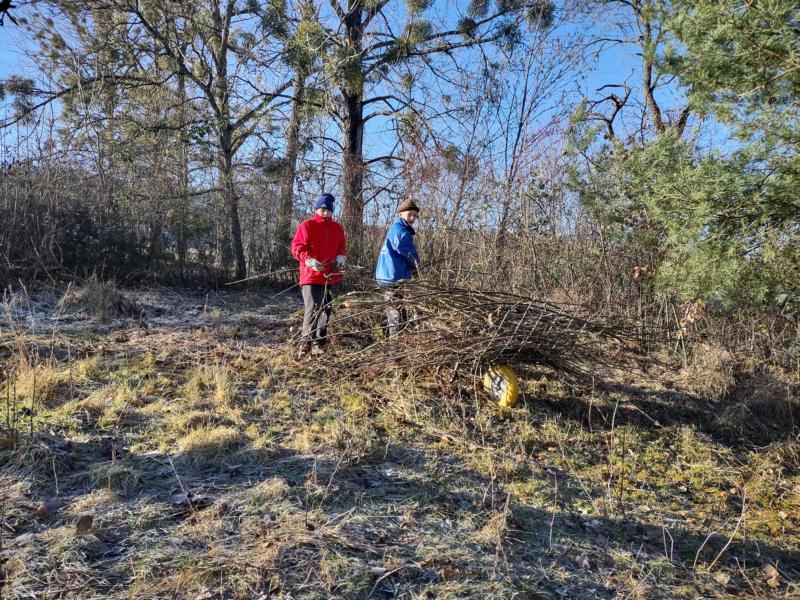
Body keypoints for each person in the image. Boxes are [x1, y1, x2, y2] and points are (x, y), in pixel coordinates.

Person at [291, 193, 346, 357]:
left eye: (329, 210)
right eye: (323, 209)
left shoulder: (337, 228)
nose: (326, 212)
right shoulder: (307, 225)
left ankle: (319, 344)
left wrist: (341, 256)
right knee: (313, 308)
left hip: (329, 276)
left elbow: (341, 247)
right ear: (317, 209)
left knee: (326, 309)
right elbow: (297, 247)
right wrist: (308, 260)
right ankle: (305, 344)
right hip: (311, 276)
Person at [375, 199, 420, 337]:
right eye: (409, 215)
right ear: (401, 215)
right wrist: (416, 264)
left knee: (397, 309)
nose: (412, 218)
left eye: (414, 215)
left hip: (389, 275)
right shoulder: (401, 231)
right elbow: (407, 251)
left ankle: (395, 338)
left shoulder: (396, 229)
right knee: (395, 312)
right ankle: (395, 345)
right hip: (392, 277)